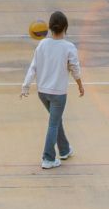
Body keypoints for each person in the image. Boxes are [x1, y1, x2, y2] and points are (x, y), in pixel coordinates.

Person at [19, 9, 84, 168]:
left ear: (50, 27)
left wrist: (25, 86)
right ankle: (48, 158)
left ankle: (64, 149)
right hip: (58, 94)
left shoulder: (42, 44)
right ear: (65, 27)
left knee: (56, 120)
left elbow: (33, 67)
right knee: (53, 123)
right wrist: (80, 85)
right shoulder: (69, 47)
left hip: (43, 92)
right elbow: (75, 68)